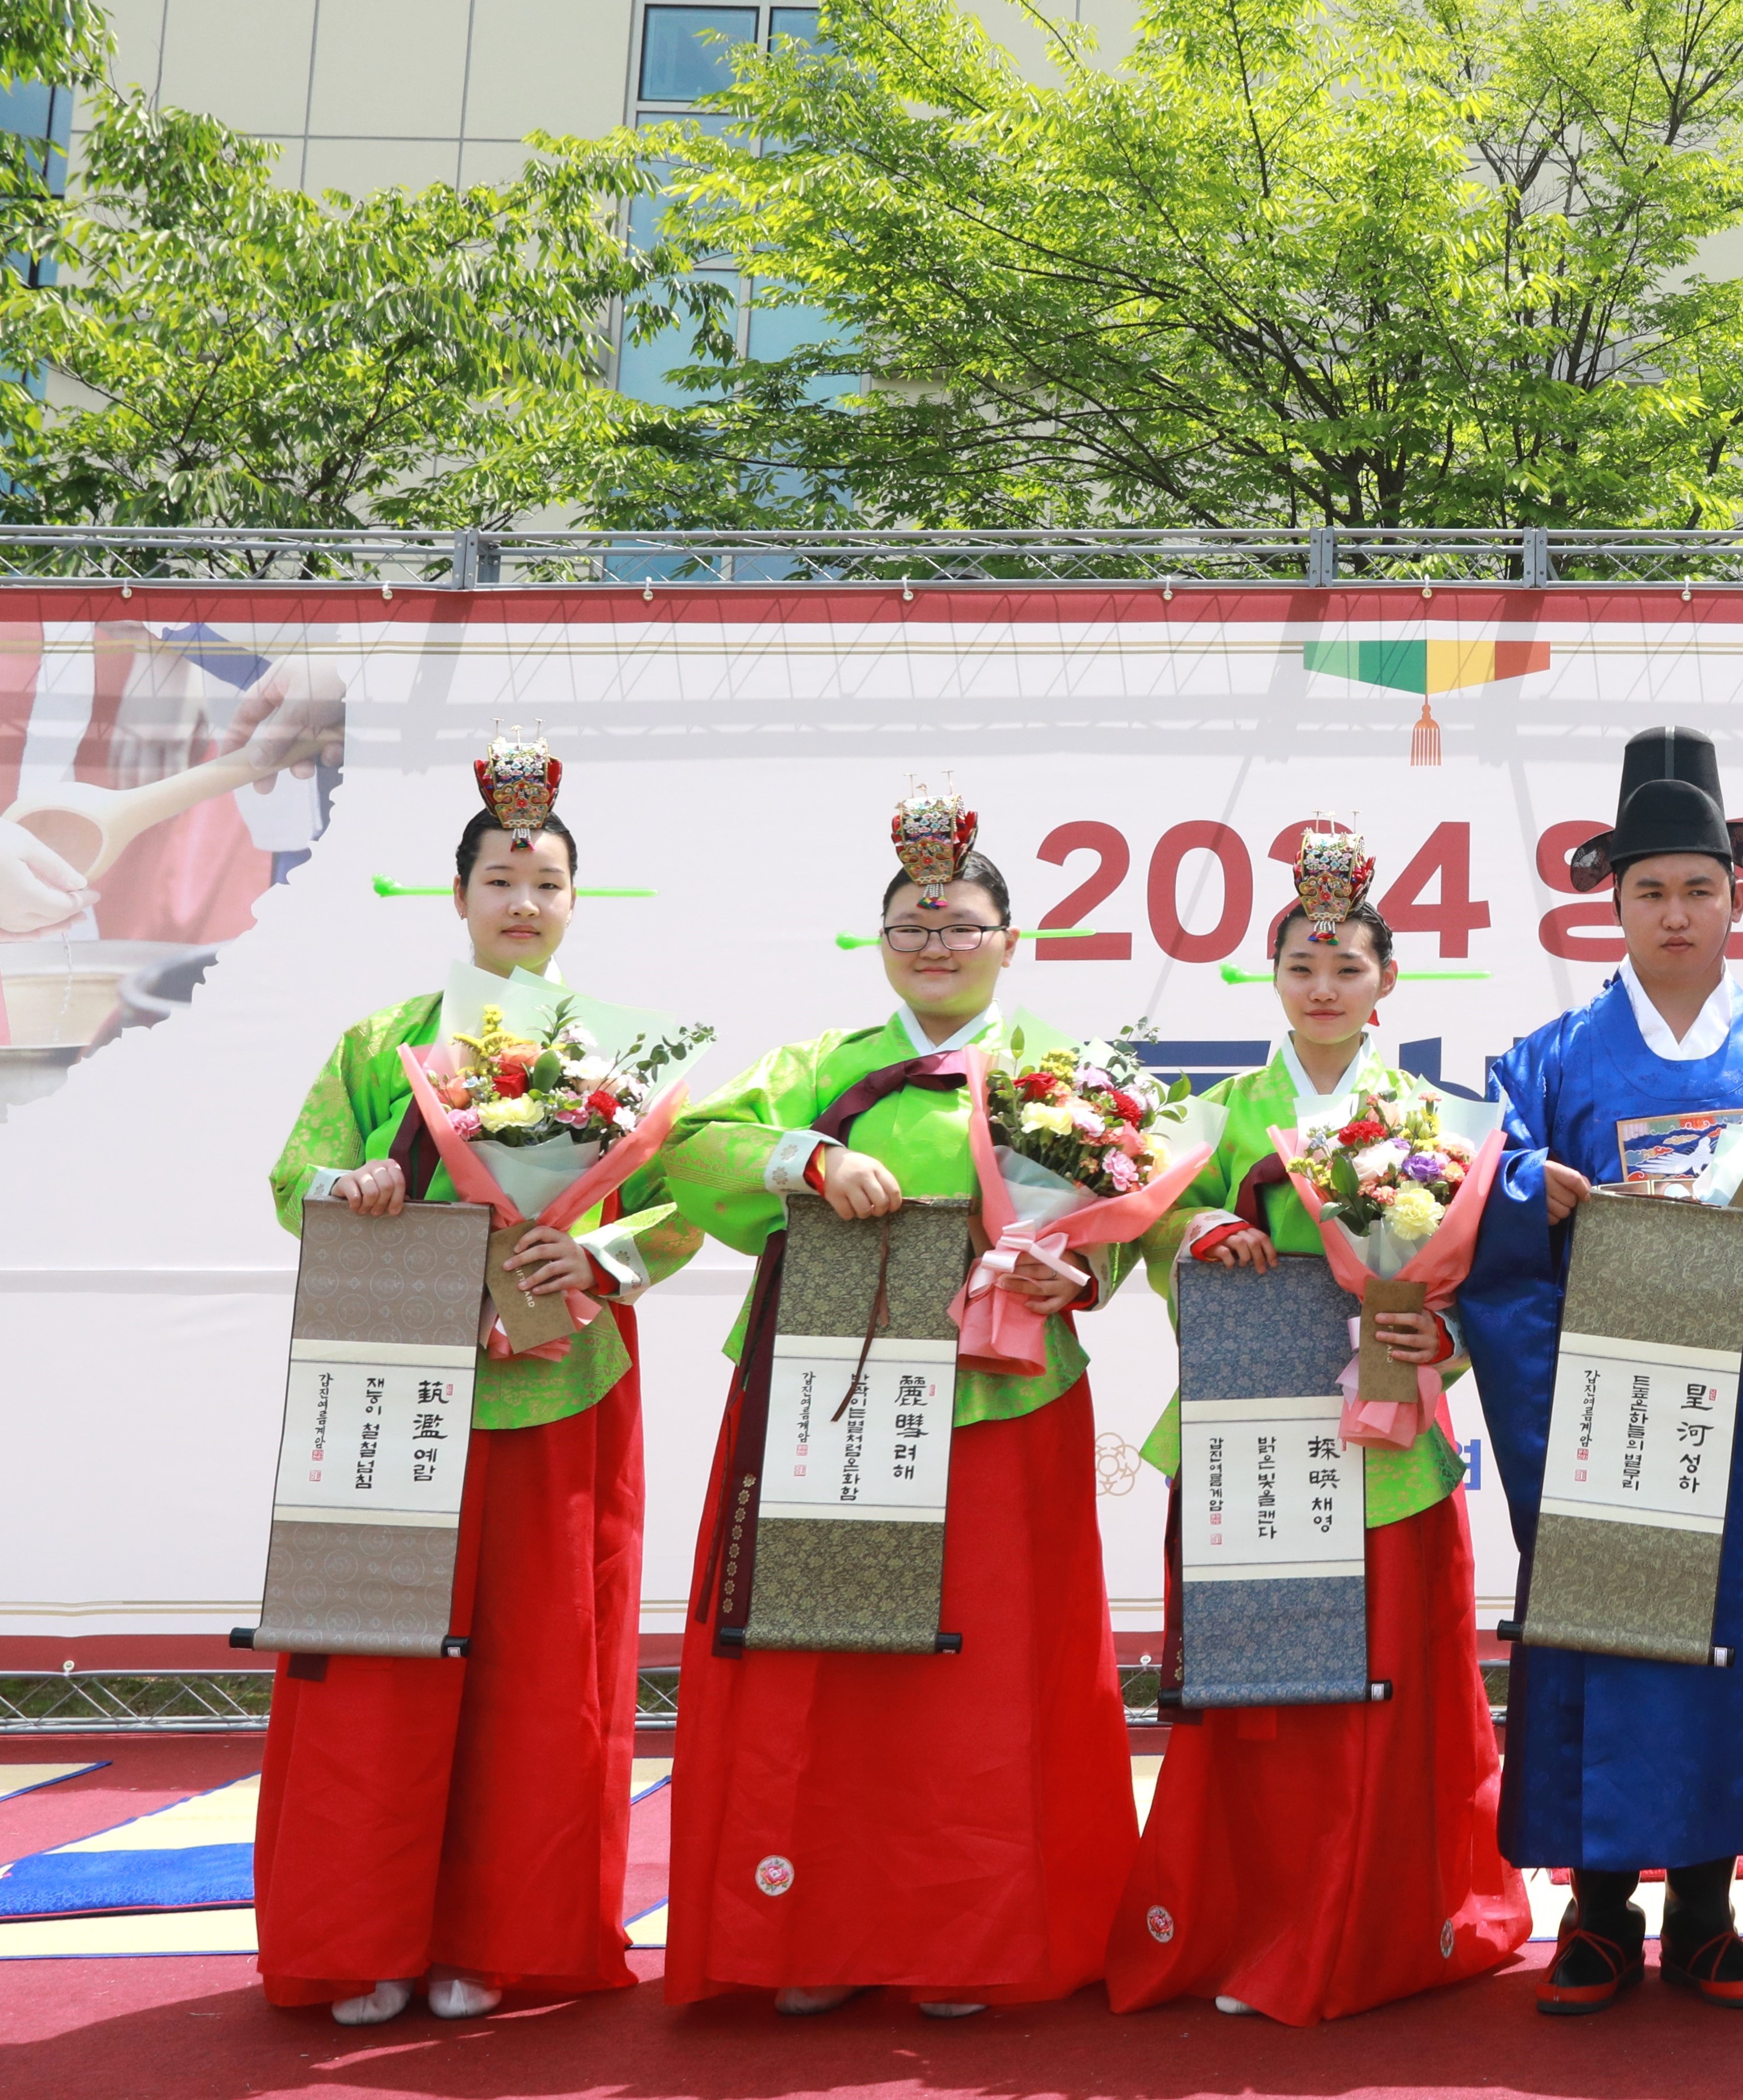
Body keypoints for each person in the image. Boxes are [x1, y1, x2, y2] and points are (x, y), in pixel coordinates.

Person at [652, 796, 1138, 2017]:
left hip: (997, 1403)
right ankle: (813, 1929)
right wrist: (808, 1157)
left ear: (1010, 940)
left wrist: (1077, 1270)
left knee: (983, 1678)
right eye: (912, 925)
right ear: (880, 942)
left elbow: (1138, 1210)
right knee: (825, 1663)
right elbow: (693, 1144)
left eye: (961, 923)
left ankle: (962, 1934)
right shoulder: (823, 1066)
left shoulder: (1069, 1078)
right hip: (833, 1398)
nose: (937, 943)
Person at [255, 736, 700, 2026]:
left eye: (546, 881)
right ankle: (368, 1935)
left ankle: (499, 1935)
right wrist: (353, 1182)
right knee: (377, 1670)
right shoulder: (380, 1042)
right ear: (457, 896)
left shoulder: (620, 1055)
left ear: (575, 902)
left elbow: (681, 1211)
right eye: (501, 877)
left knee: (539, 1674)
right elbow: (291, 1179)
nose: (522, 900)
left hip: (558, 1388)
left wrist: (598, 1252)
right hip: (396, 1386)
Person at [1461, 727, 1743, 2013]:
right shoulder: (1549, 1059)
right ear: (1613, 902)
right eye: (1649, 889)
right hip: (1613, 1392)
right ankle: (1597, 1911)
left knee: (1732, 1640)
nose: (1676, 912)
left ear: (1740, 895)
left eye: (1700, 886)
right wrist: (1532, 1194)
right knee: (1612, 1635)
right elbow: (1487, 1215)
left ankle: (1707, 1908)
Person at [1105, 832, 1531, 2023]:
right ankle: (1258, 1926)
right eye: (1302, 963)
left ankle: (1378, 1925)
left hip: (1383, 1431)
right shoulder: (1215, 1113)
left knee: (1386, 1687)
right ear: (1273, 977)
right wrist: (1198, 1231)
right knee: (1264, 1698)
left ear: (1387, 979)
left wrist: (1437, 1335)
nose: (1324, 984)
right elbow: (1146, 1216)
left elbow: (1478, 1277)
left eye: (1348, 963)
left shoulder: (1436, 1117)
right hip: (1252, 1430)